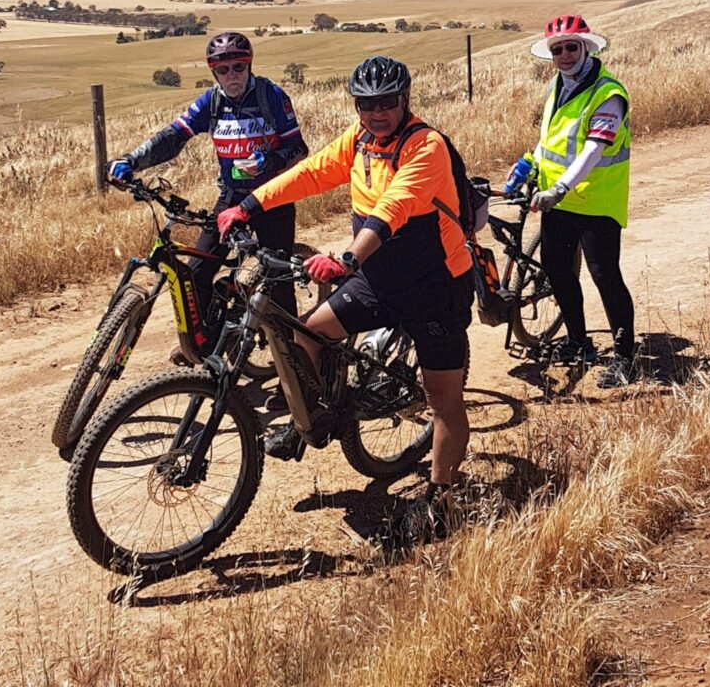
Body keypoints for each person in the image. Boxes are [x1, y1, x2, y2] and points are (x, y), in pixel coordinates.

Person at [217, 55, 475, 545]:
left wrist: (348, 259)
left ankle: (441, 499)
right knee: (304, 336)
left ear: (405, 101)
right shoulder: (359, 142)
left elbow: (392, 209)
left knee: (444, 403)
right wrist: (247, 205)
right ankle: (316, 416)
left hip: (434, 288)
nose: (376, 113)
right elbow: (309, 173)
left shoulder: (427, 146)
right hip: (378, 280)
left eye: (386, 103)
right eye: (366, 104)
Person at [107, 31, 309, 365]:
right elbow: (172, 138)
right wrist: (132, 160)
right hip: (230, 199)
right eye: (224, 69)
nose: (232, 76)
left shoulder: (271, 96)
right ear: (213, 71)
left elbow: (298, 149)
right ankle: (206, 346)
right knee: (198, 271)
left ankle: (292, 368)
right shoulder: (211, 102)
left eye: (239, 67)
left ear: (249, 65)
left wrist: (268, 162)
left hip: (273, 197)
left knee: (279, 282)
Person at [515, 14, 636, 387]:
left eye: (571, 47)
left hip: (596, 202)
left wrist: (560, 188)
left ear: (587, 47)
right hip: (559, 202)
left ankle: (624, 356)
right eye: (557, 50)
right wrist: (528, 164)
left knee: (604, 276)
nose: (564, 55)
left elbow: (594, 150)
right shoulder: (559, 85)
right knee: (558, 271)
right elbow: (552, 139)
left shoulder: (608, 93)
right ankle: (579, 341)